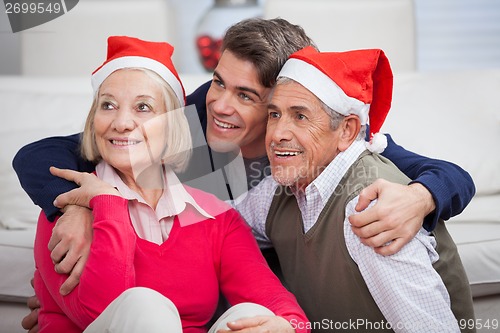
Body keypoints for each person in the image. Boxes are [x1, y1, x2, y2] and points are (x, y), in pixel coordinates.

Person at [16, 18, 475, 331]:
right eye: (218, 81)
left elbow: (448, 173)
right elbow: (56, 150)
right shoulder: (194, 122)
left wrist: (421, 197)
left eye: (246, 96)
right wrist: (72, 210)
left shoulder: (342, 153)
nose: (220, 104)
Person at [32, 35, 309, 333]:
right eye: (108, 105)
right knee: (143, 305)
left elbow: (277, 302)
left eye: (143, 108)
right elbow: (97, 312)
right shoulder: (67, 212)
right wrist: (107, 204)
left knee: (253, 314)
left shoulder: (217, 217)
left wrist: (289, 325)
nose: (122, 123)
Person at [235, 46, 475, 332]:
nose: (277, 134)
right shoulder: (282, 187)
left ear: (347, 131)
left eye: (300, 116)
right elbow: (221, 227)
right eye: (274, 115)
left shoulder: (372, 211)